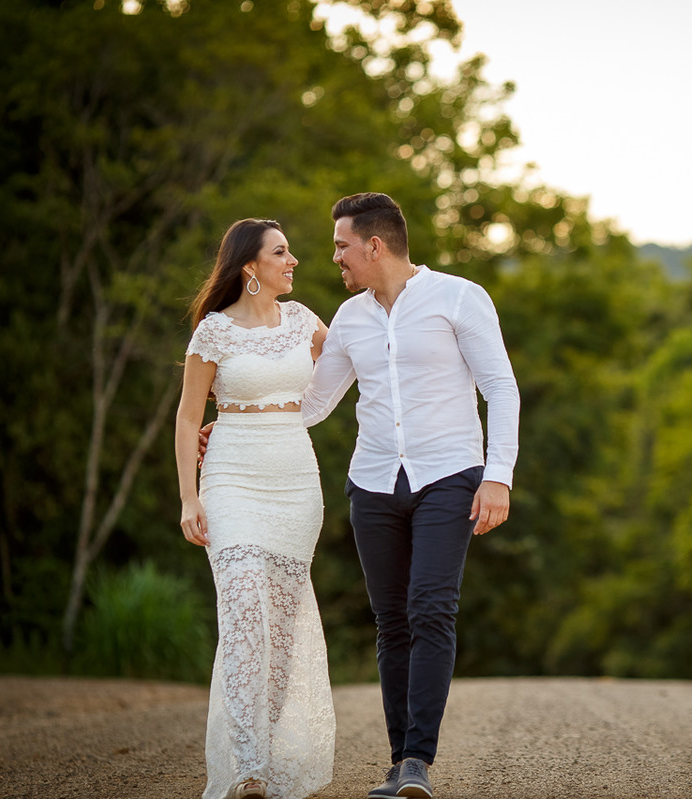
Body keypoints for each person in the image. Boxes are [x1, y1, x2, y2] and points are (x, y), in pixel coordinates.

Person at [302, 192, 520, 799]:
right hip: (373, 481)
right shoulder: (349, 318)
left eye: (343, 246)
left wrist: (497, 474)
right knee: (391, 622)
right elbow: (316, 404)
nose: (336, 258)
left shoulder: (458, 296)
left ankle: (419, 757)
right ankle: (400, 761)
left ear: (375, 245)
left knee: (430, 608)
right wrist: (243, 415)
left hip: (450, 474)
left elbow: (501, 389)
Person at [175, 219, 335, 799]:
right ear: (250, 266)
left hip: (295, 481)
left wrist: (296, 413)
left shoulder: (302, 321)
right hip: (231, 479)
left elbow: (347, 368)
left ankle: (264, 751)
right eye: (282, 252)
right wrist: (189, 497)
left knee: (283, 631)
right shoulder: (212, 333)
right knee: (243, 607)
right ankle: (247, 767)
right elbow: (188, 417)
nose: (293, 261)